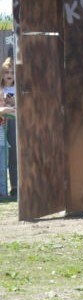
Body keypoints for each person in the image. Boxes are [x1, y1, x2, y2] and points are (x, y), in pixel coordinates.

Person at [0, 58, 16, 199]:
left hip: (14, 122)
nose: (9, 75)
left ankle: (15, 187)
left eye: (12, 72)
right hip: (3, 123)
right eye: (6, 72)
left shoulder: (17, 88)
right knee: (3, 157)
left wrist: (14, 101)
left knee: (14, 155)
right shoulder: (1, 89)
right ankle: (3, 189)